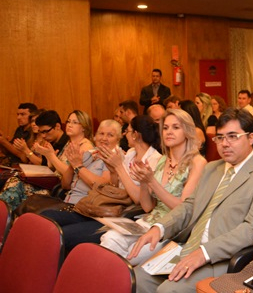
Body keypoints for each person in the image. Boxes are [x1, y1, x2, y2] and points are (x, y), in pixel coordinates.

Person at [129, 108, 253, 293]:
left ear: (251, 138)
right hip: (186, 247)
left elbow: (251, 229)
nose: (225, 144)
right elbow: (189, 206)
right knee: (137, 278)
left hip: (219, 258)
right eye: (220, 138)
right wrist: (160, 227)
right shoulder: (212, 168)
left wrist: (204, 253)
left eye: (233, 136)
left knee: (168, 290)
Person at [101, 109, 207, 264]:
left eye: (176, 127)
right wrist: (144, 182)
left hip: (170, 229)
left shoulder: (197, 162)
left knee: (125, 255)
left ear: (187, 131)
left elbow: (183, 209)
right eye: (165, 128)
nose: (169, 132)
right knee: (109, 238)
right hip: (147, 222)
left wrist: (152, 181)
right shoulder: (163, 160)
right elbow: (147, 207)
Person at [39, 111, 110, 252]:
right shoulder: (81, 149)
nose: (103, 138)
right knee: (41, 219)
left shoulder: (96, 154)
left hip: (84, 207)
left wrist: (76, 165)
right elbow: (66, 184)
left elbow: (101, 187)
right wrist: (72, 164)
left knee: (51, 226)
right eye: (100, 134)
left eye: (109, 135)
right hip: (69, 198)